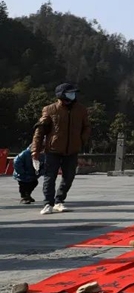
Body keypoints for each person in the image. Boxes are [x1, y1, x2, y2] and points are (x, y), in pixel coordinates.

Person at [31, 83, 90, 215]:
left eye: (74, 93)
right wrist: (35, 150)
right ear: (61, 95)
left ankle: (59, 200)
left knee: (69, 176)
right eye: (70, 93)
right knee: (49, 177)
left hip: (72, 149)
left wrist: (81, 140)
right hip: (53, 149)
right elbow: (39, 131)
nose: (73, 95)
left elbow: (86, 127)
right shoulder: (50, 109)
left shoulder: (81, 110)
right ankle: (48, 203)